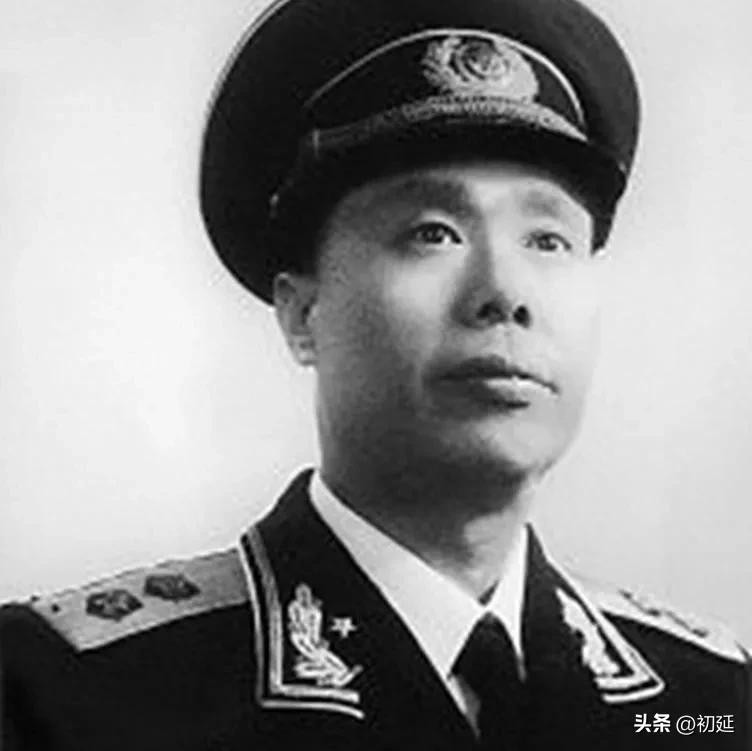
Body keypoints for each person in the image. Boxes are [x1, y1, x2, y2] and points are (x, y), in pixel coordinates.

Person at [1, 0, 749, 748]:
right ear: (302, 315)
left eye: (547, 240)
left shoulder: (710, 706)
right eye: (433, 233)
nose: (505, 291)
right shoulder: (70, 698)